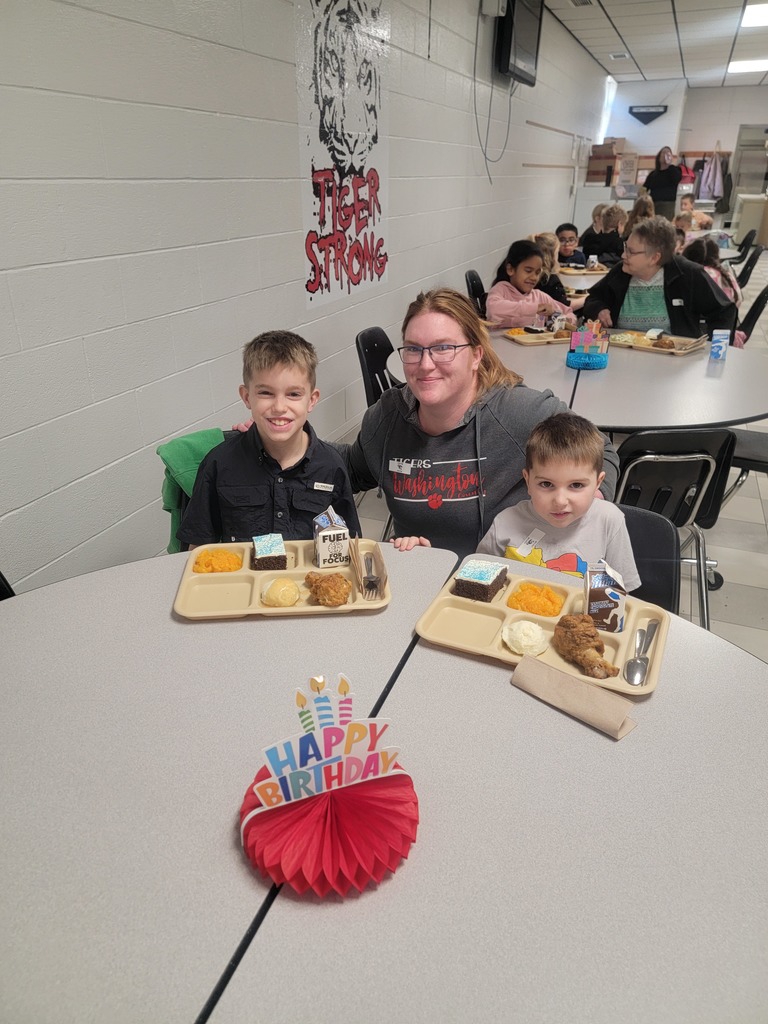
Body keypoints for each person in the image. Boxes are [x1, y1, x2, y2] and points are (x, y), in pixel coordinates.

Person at [334, 288, 619, 558]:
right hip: (420, 576)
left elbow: (601, 450)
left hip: (504, 582)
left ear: (476, 356)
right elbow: (351, 469)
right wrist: (296, 440)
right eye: (413, 349)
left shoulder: (518, 413)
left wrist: (586, 504)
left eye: (443, 348)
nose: (425, 364)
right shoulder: (387, 416)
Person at [177, 330, 361, 547]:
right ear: (247, 397)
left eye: (294, 394)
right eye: (266, 393)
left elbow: (349, 543)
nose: (279, 407)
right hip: (242, 580)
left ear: (311, 400)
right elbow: (198, 549)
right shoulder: (218, 464)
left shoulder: (331, 467)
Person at [476, 412, 640, 590]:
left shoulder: (609, 521)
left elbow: (621, 592)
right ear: (527, 480)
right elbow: (477, 580)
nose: (560, 501)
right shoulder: (505, 523)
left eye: (576, 485)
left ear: (598, 483)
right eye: (546, 484)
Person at [582, 216, 737, 338]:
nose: (623, 255)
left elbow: (724, 311)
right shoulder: (621, 272)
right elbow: (593, 299)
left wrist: (712, 348)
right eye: (625, 248)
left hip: (673, 362)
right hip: (622, 354)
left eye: (631, 251)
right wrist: (599, 309)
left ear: (654, 258)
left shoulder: (687, 274)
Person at [486, 240, 573, 329]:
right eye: (528, 271)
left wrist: (554, 314)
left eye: (537, 272)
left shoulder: (539, 297)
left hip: (534, 342)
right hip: (499, 342)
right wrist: (534, 308)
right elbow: (494, 309)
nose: (534, 277)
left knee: (584, 340)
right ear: (510, 269)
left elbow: (569, 314)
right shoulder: (500, 289)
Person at [683, 237, 743, 307]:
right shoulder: (726, 275)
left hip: (696, 316)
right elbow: (738, 300)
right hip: (726, 316)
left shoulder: (688, 275)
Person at [528, 232, 569, 306]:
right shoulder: (549, 280)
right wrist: (586, 299)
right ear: (551, 255)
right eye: (557, 252)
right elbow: (563, 306)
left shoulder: (531, 274)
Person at [643, 147, 682, 221]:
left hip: (667, 205)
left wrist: (669, 164)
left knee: (664, 227)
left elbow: (677, 178)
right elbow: (644, 188)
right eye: (664, 153)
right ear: (659, 157)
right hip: (653, 204)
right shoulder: (653, 174)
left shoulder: (674, 170)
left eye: (668, 153)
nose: (665, 155)